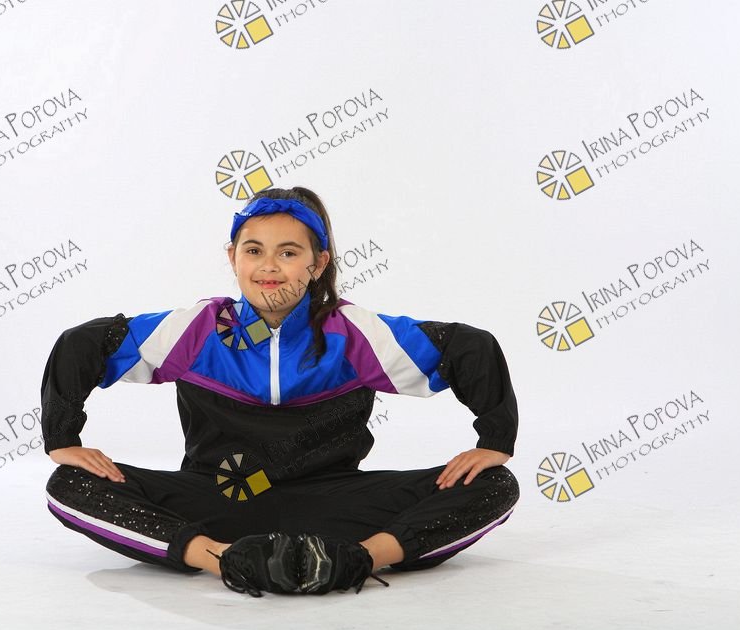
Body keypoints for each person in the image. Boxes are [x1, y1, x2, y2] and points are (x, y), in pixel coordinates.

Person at [41, 186, 520, 597]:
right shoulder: (197, 329)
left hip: (333, 504)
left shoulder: (356, 334)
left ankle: (358, 559)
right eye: (253, 251)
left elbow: (466, 347)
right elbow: (88, 343)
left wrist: (494, 440)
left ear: (318, 263)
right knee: (69, 485)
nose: (269, 267)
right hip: (218, 499)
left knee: (494, 485)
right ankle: (224, 559)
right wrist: (63, 438)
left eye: (288, 253)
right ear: (233, 257)